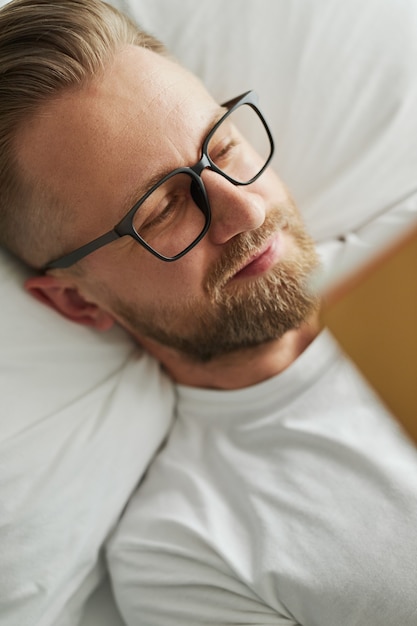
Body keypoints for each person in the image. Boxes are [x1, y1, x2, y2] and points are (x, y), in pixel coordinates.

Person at [1, 1, 416, 625]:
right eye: (163, 210)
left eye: (222, 145)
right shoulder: (187, 555)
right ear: (76, 301)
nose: (245, 211)